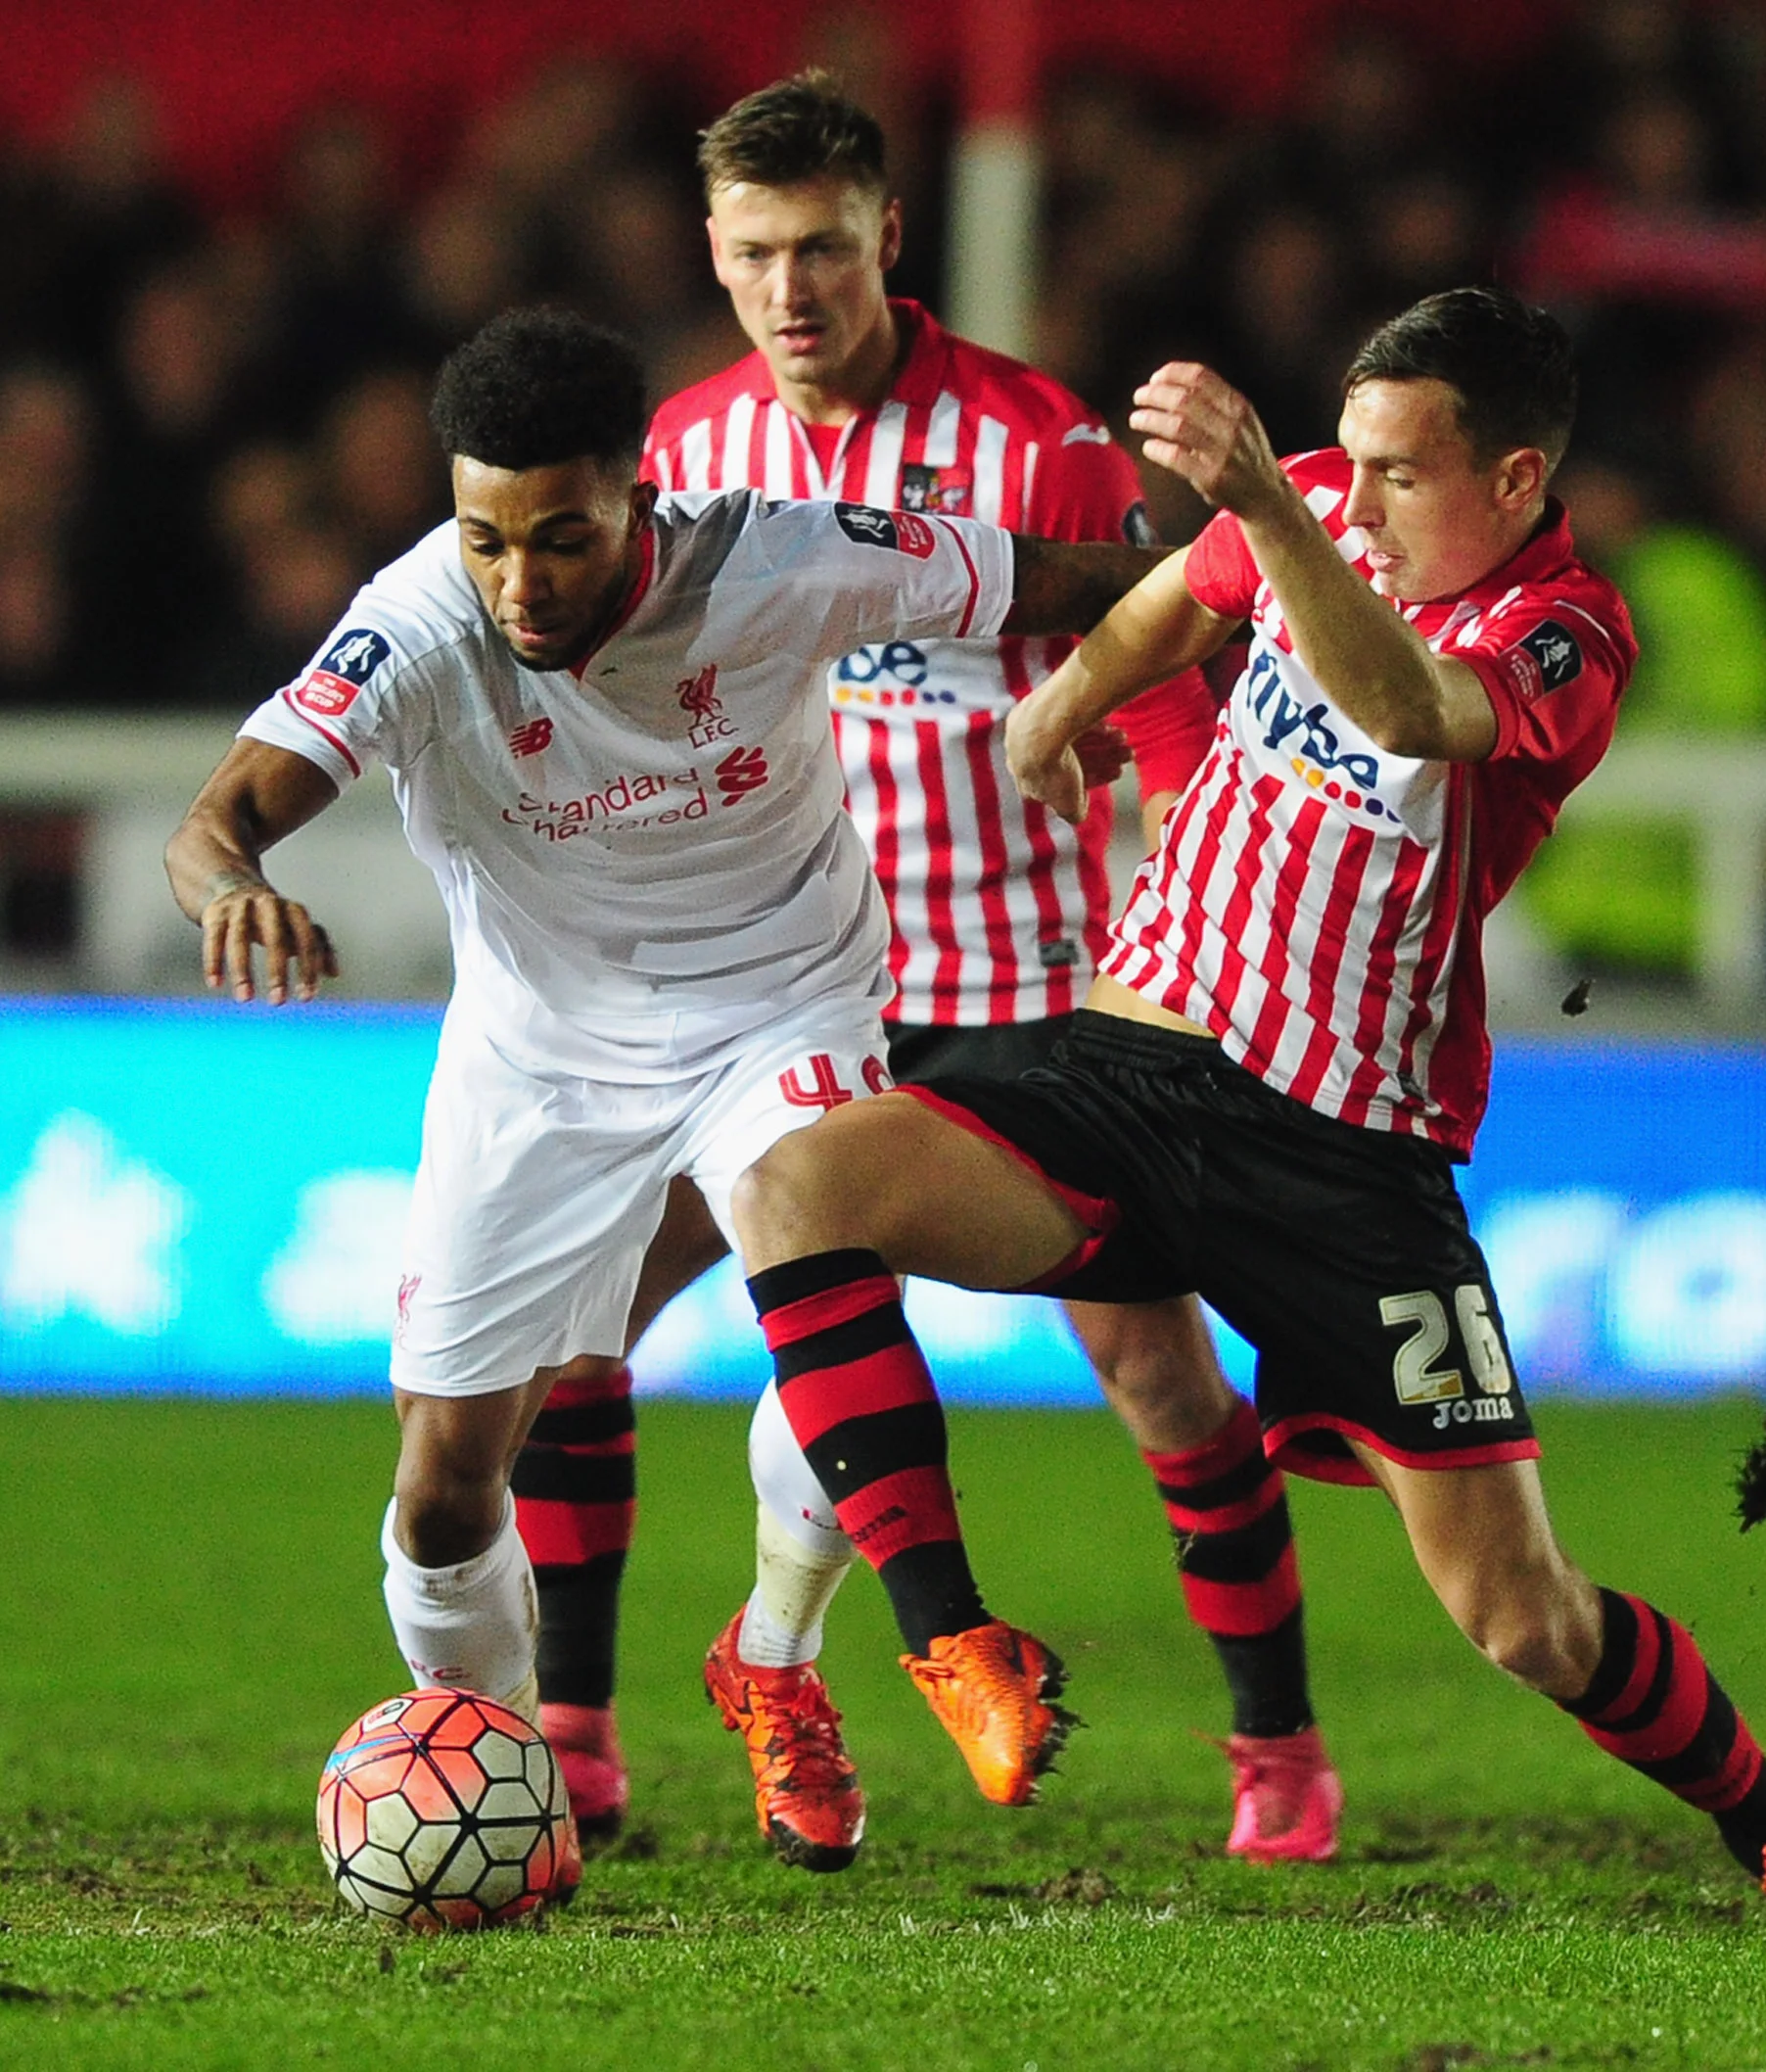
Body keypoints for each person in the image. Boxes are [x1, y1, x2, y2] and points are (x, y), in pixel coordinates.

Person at [722, 287, 1766, 1930]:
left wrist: (1278, 513)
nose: (1359, 498)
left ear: (1514, 481)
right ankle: (950, 1632)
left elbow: (1408, 712)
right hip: (1128, 1071)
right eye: (1347, 464)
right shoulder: (1312, 508)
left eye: (1401, 475)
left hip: (1345, 1154)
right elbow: (1175, 600)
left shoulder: (1565, 629)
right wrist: (1062, 710)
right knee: (801, 1189)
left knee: (1523, 1621)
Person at [163, 306, 1168, 1878]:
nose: (520, 582)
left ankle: (922, 1641)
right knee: (440, 1493)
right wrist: (231, 887)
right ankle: (488, 1766)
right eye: (486, 538)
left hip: (786, 998)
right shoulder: (420, 623)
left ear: (642, 492)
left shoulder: (781, 556)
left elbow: (1079, 578)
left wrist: (1260, 574)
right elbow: (216, 818)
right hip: (539, 1054)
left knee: (815, 1244)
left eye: (560, 538)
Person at [512, 71, 1342, 1874]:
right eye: (753, 255)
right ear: (712, 259)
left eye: (823, 246)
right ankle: (575, 1732)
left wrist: (1193, 918)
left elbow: (1182, 684)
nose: (791, 289)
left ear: (891, 236)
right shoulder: (684, 455)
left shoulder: (1033, 447)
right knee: (571, 1319)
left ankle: (1273, 1745)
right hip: (764, 995)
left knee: (1160, 1380)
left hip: (1023, 992)